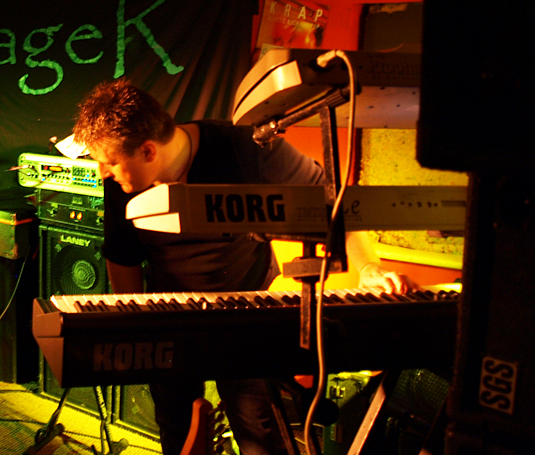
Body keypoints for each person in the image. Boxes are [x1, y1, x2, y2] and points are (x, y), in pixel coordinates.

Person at [71, 78, 414, 455]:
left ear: (148, 150)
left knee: (258, 433)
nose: (103, 172)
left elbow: (335, 206)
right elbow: (122, 256)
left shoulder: (247, 147)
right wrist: (137, 326)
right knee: (178, 429)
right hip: (169, 316)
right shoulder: (122, 183)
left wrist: (369, 268)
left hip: (244, 313)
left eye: (109, 163)